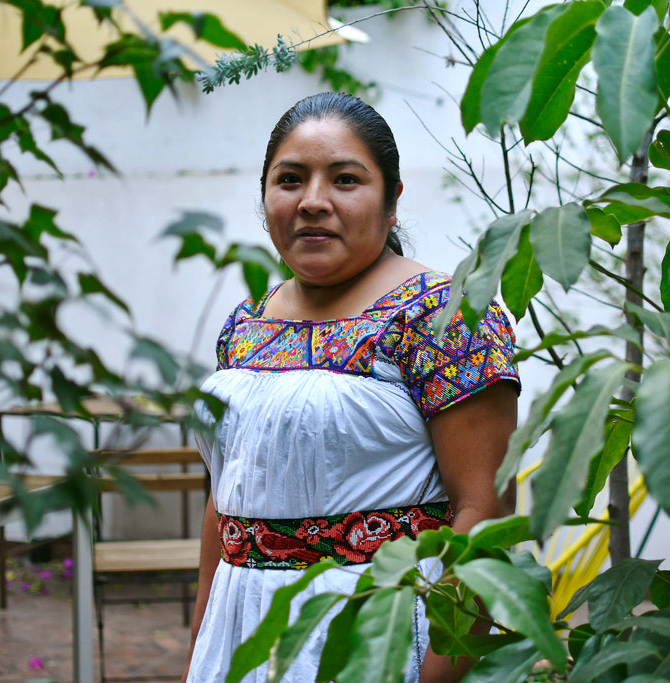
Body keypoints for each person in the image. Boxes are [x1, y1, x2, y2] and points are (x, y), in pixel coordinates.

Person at [182, 92, 520, 683]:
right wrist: (199, 658)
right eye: (290, 179)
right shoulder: (244, 326)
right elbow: (225, 512)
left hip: (376, 641)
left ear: (391, 200)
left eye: (345, 179)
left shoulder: (443, 314)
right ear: (265, 196)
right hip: (241, 644)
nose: (313, 202)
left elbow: (484, 510)